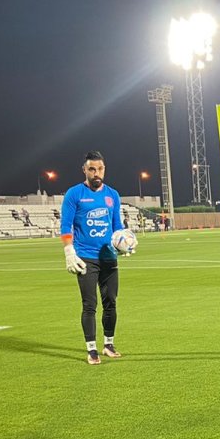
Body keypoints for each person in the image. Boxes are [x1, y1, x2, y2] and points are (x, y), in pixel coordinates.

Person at [60, 150, 132, 365]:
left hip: (109, 257)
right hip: (85, 258)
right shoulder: (74, 194)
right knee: (89, 305)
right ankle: (91, 349)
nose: (96, 172)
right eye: (92, 169)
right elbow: (66, 225)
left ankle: (108, 344)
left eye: (100, 168)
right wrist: (69, 251)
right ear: (85, 170)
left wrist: (124, 242)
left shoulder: (113, 195)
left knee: (111, 302)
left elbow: (117, 226)